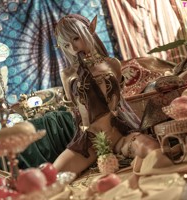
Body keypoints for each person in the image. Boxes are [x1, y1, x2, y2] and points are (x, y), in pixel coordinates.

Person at [53, 14, 159, 175]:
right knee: (52, 175)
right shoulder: (67, 74)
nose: (73, 49)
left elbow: (121, 103)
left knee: (153, 151)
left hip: (119, 134)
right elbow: (75, 112)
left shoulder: (112, 64)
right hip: (90, 143)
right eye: (66, 45)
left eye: (76, 39)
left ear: (89, 31)